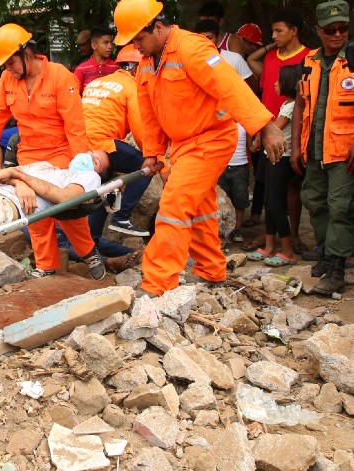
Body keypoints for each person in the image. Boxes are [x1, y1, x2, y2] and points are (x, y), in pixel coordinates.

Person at [115, 0, 285, 297]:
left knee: (174, 206)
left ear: (157, 27)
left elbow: (229, 86)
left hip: (212, 140)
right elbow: (150, 113)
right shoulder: (147, 62)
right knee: (201, 209)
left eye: (138, 39)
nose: (136, 47)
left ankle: (157, 285)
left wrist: (264, 125)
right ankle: (211, 270)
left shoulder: (192, 49)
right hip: (183, 145)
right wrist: (153, 153)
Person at [0, 23, 101, 280]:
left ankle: (89, 253)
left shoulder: (60, 76)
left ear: (27, 53)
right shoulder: (9, 81)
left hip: (61, 156)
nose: (7, 69)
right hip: (29, 156)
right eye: (5, 65)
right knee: (33, 210)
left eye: (11, 62)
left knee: (68, 211)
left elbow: (75, 126)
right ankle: (46, 265)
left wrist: (78, 169)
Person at [291, 0, 354, 296]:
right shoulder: (310, 61)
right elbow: (300, 104)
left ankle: (337, 267)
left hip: (346, 151)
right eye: (330, 30)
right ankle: (327, 252)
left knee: (341, 206)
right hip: (315, 149)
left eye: (342, 28)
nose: (337, 34)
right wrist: (295, 146)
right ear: (318, 30)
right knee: (315, 202)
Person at [0, 151, 108, 244]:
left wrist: (18, 177)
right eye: (90, 152)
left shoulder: (90, 177)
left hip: (6, 206)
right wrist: (19, 182)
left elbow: (64, 197)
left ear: (100, 172)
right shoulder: (46, 166)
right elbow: (2, 175)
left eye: (95, 160)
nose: (88, 156)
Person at [247, 9, 312, 251]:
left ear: (293, 31)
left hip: (291, 133)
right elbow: (252, 62)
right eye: (272, 31)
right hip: (266, 130)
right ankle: (271, 236)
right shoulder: (271, 58)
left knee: (292, 188)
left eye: (279, 31)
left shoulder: (309, 57)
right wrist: (268, 46)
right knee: (268, 188)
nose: (274, 35)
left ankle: (293, 236)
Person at [81, 44, 154, 238]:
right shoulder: (132, 87)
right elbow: (141, 133)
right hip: (104, 143)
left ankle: (92, 244)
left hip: (81, 145)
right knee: (145, 167)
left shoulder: (96, 83)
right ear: (137, 67)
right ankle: (122, 217)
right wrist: (155, 158)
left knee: (101, 190)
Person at [248, 65, 301, 267]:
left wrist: (259, 135)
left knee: (276, 205)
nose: (274, 83)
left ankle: (287, 250)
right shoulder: (286, 104)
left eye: (279, 80)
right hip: (272, 158)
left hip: (281, 159)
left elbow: (274, 129)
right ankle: (269, 246)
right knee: (269, 203)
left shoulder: (291, 107)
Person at [194, 19, 258, 93]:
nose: (205, 42)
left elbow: (253, 88)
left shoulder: (234, 59)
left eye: (209, 38)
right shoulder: (190, 61)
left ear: (218, 38)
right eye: (201, 39)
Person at [73, 27, 118, 94]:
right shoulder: (81, 69)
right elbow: (73, 93)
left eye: (111, 43)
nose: (110, 46)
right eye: (106, 43)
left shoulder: (116, 68)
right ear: (94, 45)